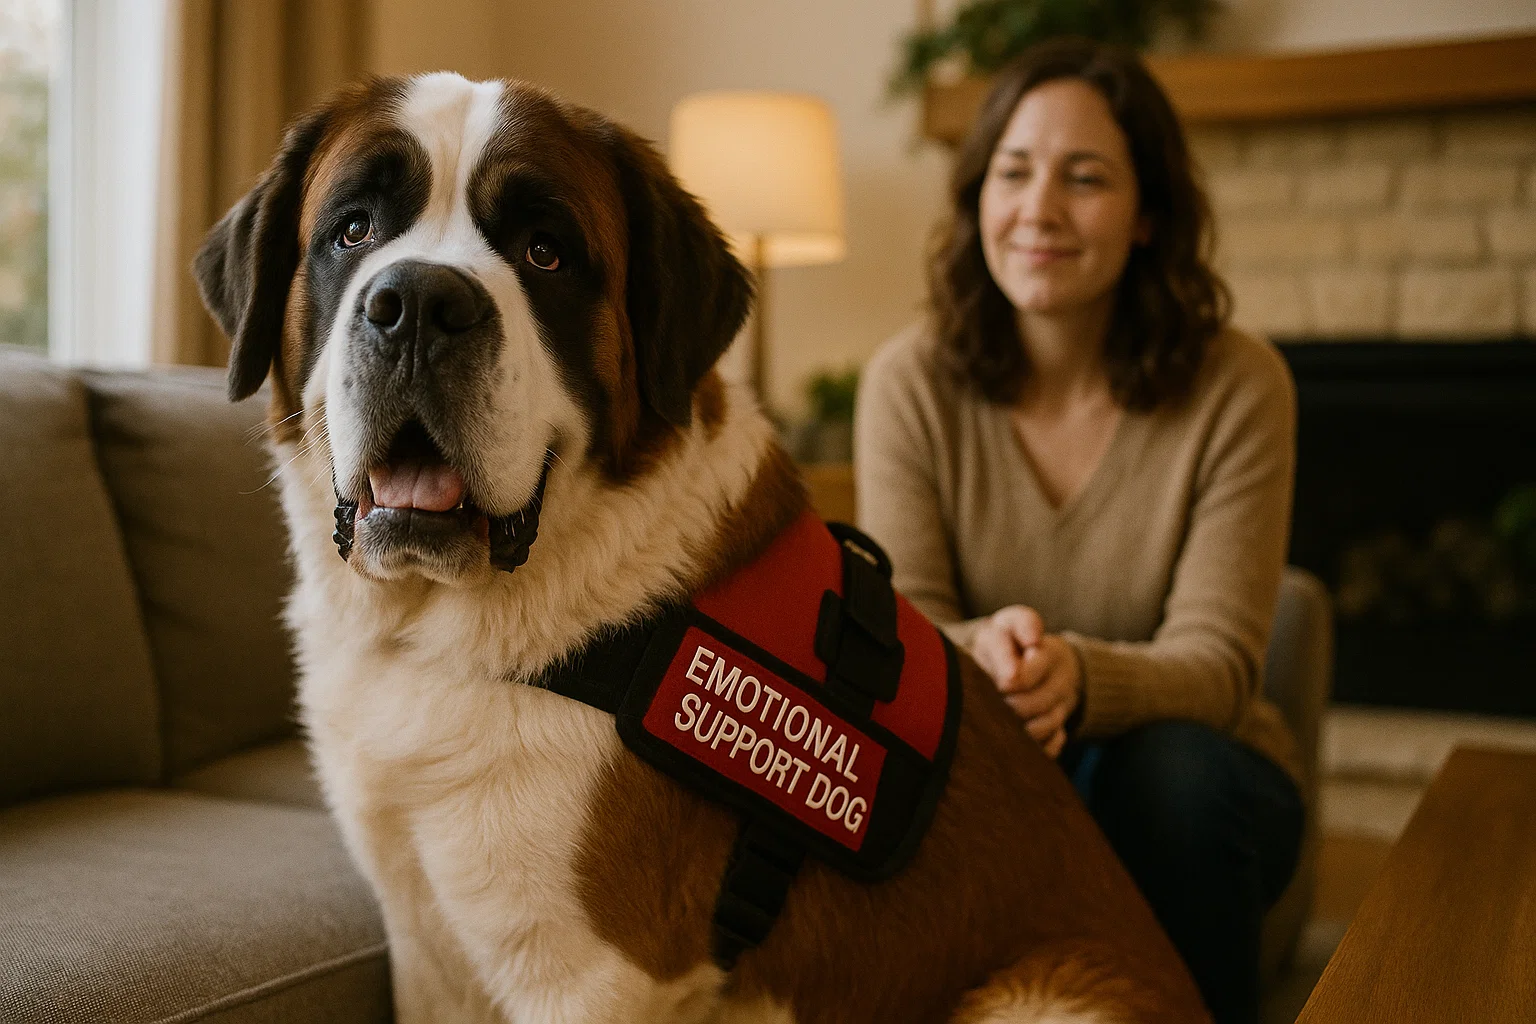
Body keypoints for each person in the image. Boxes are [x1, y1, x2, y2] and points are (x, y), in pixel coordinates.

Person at [855, 38, 1305, 1024]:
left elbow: (1224, 663)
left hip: (1205, 785)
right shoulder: (908, 381)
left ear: (1148, 216)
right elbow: (906, 619)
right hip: (993, 765)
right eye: (1012, 173)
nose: (1040, 210)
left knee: (1169, 777)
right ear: (978, 197)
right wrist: (986, 651)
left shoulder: (1240, 385)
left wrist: (1079, 679)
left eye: (1086, 177)